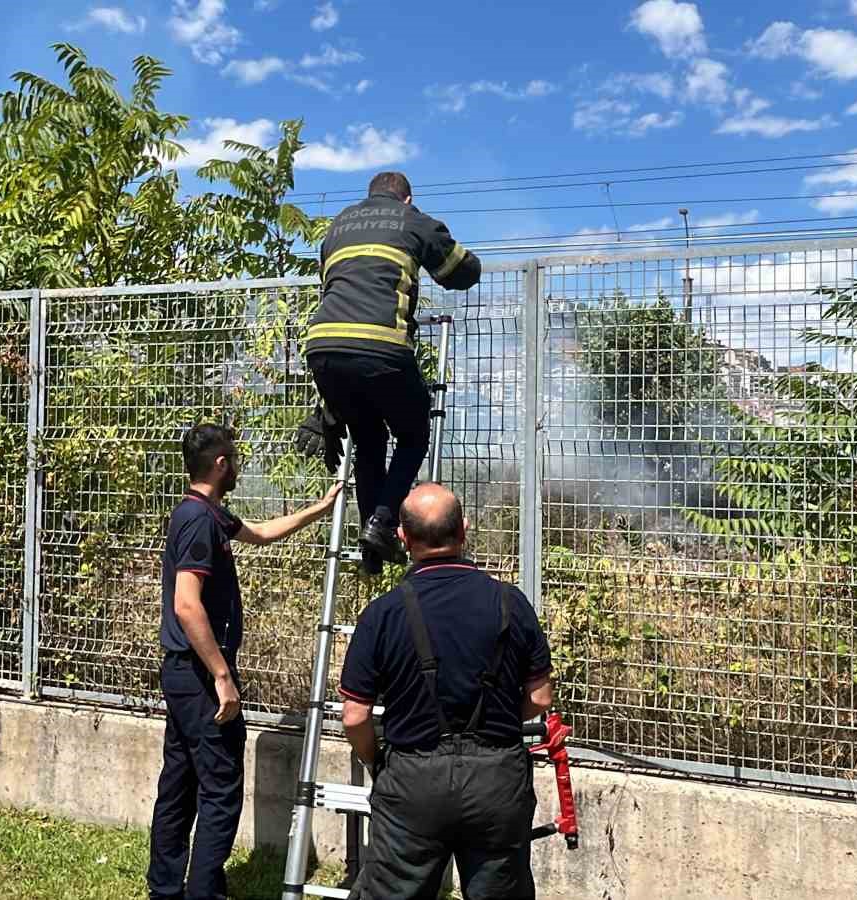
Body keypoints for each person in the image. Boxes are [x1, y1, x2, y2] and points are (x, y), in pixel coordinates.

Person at [147, 423, 342, 900]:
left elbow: (260, 533)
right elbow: (187, 605)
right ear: (219, 464)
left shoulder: (208, 513)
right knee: (219, 787)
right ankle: (202, 892)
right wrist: (221, 676)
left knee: (180, 779)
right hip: (199, 674)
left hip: (184, 672)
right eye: (233, 458)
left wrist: (320, 508)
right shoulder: (197, 521)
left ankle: (166, 888)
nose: (238, 465)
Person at [337, 483, 554, 900]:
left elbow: (355, 716)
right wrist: (500, 716)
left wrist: (377, 762)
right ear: (465, 530)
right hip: (496, 782)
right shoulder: (511, 603)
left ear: (402, 537)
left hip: (411, 781)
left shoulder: (382, 614)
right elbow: (541, 698)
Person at [295, 171, 482, 574]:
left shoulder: (338, 226)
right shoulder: (412, 219)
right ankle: (382, 523)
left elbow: (339, 287)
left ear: (369, 196)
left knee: (369, 438)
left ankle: (371, 545)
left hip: (323, 348)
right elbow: (463, 271)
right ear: (407, 198)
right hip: (381, 346)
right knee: (413, 436)